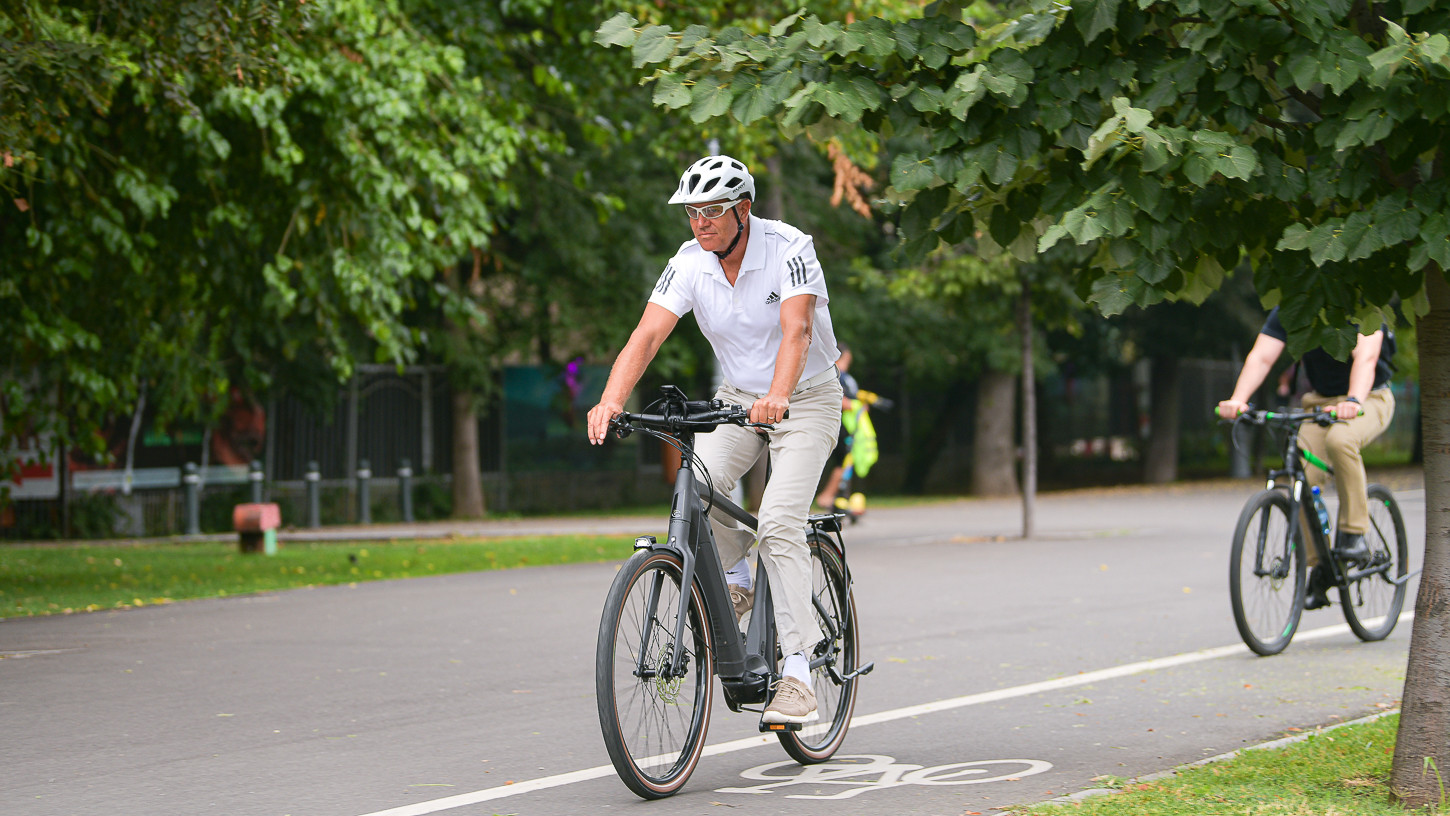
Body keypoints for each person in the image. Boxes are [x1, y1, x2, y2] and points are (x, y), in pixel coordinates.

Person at [587, 155, 844, 725]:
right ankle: (736, 579)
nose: (699, 222)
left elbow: (796, 330)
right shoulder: (688, 264)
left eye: (711, 211)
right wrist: (611, 399)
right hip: (738, 395)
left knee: (778, 521)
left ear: (743, 210)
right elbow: (647, 334)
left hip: (804, 396)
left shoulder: (790, 248)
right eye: (692, 212)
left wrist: (777, 397)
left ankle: (799, 673)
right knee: (698, 484)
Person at [1217, 307, 1395, 610]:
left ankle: (1354, 534)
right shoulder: (1294, 304)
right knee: (1297, 478)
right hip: (1319, 404)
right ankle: (1321, 564)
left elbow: (1366, 357)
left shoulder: (1362, 303)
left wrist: (1353, 400)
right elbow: (1261, 357)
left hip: (1370, 398)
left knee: (1342, 440)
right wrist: (1238, 399)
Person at [815, 342, 859, 510]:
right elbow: (838, 398)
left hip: (844, 424)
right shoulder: (835, 375)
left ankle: (831, 496)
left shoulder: (844, 377)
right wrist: (853, 404)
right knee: (840, 461)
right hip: (836, 422)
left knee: (841, 461)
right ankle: (826, 496)